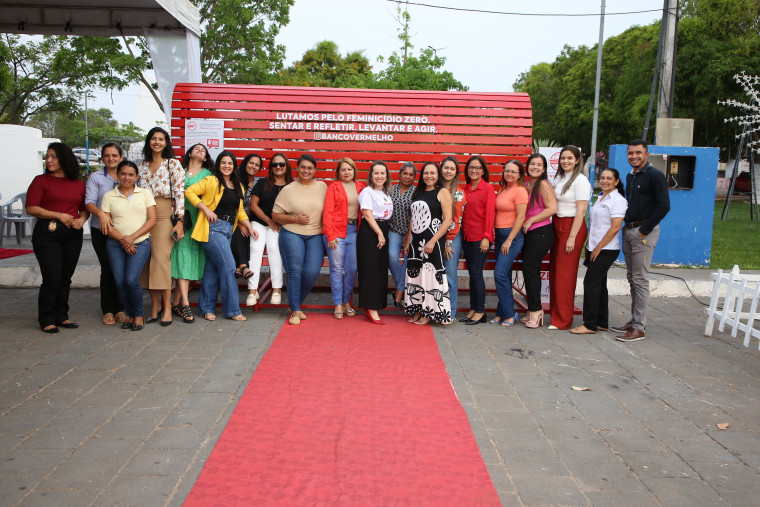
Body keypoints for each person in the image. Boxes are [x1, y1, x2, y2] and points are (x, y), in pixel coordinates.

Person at [185, 151, 257, 321]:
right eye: (223, 163)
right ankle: (233, 310)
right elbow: (189, 191)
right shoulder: (211, 180)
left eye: (230, 163)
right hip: (212, 229)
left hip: (227, 230)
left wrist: (248, 226)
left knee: (212, 269)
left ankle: (205, 308)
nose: (226, 166)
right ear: (218, 165)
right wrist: (205, 208)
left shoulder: (238, 185)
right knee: (229, 267)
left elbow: (239, 211)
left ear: (234, 166)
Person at [26, 142, 88, 333]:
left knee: (65, 277)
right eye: (48, 156)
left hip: (72, 234)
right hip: (48, 233)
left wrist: (82, 219)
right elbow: (31, 208)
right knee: (51, 277)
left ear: (64, 159)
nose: (49, 160)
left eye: (54, 156)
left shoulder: (78, 183)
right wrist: (58, 215)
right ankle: (46, 318)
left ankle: (62, 315)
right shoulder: (41, 181)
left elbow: (85, 208)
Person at [612, 140, 670, 342]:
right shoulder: (631, 175)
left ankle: (639, 327)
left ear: (646, 154)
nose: (633, 156)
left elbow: (664, 206)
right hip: (629, 230)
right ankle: (634, 321)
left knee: (640, 279)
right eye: (630, 153)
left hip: (643, 232)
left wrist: (644, 231)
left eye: (638, 152)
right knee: (632, 278)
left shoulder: (655, 175)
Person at [100, 161, 157, 331]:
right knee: (119, 281)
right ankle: (129, 315)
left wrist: (131, 238)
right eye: (123, 174)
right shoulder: (109, 196)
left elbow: (152, 220)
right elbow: (106, 225)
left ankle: (138, 315)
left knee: (131, 280)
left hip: (141, 243)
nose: (127, 177)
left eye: (131, 174)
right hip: (115, 244)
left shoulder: (145, 193)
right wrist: (123, 240)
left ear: (137, 177)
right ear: (118, 175)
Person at [137, 127, 185, 327]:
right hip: (142, 213)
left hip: (165, 213)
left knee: (161, 260)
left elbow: (180, 192)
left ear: (166, 143)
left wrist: (180, 221)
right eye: (154, 139)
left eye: (161, 139)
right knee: (146, 262)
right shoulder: (140, 165)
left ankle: (167, 308)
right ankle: (154, 306)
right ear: (149, 141)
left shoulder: (172, 164)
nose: (157, 142)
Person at [272, 154, 328, 325]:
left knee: (311, 272)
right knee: (294, 270)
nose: (306, 170)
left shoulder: (322, 187)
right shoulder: (288, 189)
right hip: (292, 232)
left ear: (315, 170)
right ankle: (295, 309)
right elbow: (275, 215)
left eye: (310, 168)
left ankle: (294, 303)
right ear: (297, 169)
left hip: (315, 234)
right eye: (303, 167)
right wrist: (295, 219)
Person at [571, 169, 627, 335]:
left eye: (609, 178)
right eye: (602, 178)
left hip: (606, 249)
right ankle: (602, 321)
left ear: (616, 181)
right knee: (600, 285)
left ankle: (589, 324)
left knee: (590, 283)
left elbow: (615, 227)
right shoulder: (600, 197)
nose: (605, 181)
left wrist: (598, 247)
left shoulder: (617, 200)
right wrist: (590, 244)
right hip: (594, 247)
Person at [404, 162, 454, 325]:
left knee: (430, 275)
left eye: (433, 173)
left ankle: (429, 313)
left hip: (432, 240)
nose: (429, 176)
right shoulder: (418, 192)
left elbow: (447, 220)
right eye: (426, 173)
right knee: (416, 275)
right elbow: (413, 218)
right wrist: (408, 240)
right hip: (415, 242)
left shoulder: (442, 192)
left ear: (437, 175)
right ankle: (418, 310)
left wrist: (432, 241)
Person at [170, 143, 213, 323]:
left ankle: (175, 303)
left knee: (189, 261)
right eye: (196, 148)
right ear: (189, 153)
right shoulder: (178, 171)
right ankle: (186, 304)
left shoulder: (209, 175)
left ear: (205, 158)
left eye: (203, 150)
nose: (200, 150)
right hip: (180, 220)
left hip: (199, 220)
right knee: (182, 257)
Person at [549, 145, 591, 330]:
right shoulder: (559, 178)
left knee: (565, 276)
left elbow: (581, 210)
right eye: (563, 158)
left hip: (571, 226)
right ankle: (555, 315)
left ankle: (563, 320)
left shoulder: (581, 180)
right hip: (557, 224)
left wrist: (572, 237)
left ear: (577, 160)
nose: (565, 161)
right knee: (555, 273)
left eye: (569, 158)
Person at [85, 143, 127, 325]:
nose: (111, 158)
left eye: (114, 155)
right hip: (101, 230)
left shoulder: (127, 176)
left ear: (121, 158)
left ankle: (121, 308)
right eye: (107, 155)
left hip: (124, 230)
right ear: (102, 158)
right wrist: (101, 214)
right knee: (108, 269)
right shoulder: (95, 178)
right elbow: (89, 202)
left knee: (122, 270)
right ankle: (108, 309)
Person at [323, 158, 366, 319]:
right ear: (338, 172)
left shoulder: (361, 187)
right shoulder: (333, 187)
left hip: (355, 231)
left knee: (352, 269)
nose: (347, 172)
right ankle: (338, 304)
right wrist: (330, 235)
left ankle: (347, 301)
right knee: (336, 269)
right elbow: (327, 213)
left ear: (354, 171)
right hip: (337, 232)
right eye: (343, 170)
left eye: (349, 169)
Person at [247, 153, 292, 306]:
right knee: (255, 248)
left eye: (281, 164)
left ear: (286, 166)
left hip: (278, 225)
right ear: (270, 168)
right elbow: (253, 206)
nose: (278, 167)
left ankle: (277, 289)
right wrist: (269, 221)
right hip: (260, 222)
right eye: (274, 164)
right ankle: (252, 291)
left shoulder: (291, 185)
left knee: (274, 249)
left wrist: (278, 222)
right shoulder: (262, 183)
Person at [520, 153, 557, 328]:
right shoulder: (528, 184)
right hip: (530, 233)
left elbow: (552, 208)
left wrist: (530, 220)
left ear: (544, 168)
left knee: (531, 270)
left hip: (541, 232)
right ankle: (531, 309)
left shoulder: (543, 184)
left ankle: (536, 311)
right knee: (528, 270)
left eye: (539, 165)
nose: (535, 167)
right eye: (532, 164)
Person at [492, 160, 529, 326]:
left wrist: (509, 240)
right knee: (504, 275)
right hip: (500, 235)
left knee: (499, 274)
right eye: (507, 171)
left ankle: (510, 313)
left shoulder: (520, 191)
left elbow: (521, 217)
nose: (509, 174)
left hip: (511, 237)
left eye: (514, 171)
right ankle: (501, 312)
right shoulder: (503, 190)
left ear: (520, 174)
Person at [459, 156, 495, 325]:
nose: (474, 170)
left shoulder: (487, 189)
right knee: (472, 274)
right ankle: (473, 308)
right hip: (466, 237)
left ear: (483, 170)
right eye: (471, 167)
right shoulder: (464, 189)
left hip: (480, 238)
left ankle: (480, 311)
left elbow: (490, 215)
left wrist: (487, 237)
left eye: (477, 168)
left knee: (476, 273)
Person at [357, 161, 394, 324]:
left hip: (383, 230)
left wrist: (383, 233)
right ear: (371, 176)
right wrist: (379, 233)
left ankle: (376, 303)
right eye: (376, 173)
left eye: (382, 173)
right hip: (371, 231)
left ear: (386, 176)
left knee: (380, 269)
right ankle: (370, 307)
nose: (379, 176)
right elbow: (367, 213)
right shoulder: (367, 191)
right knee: (370, 270)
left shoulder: (386, 193)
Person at [388, 162, 416, 310]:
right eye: (405, 173)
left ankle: (399, 291)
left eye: (411, 174)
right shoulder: (390, 190)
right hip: (393, 230)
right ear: (399, 175)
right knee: (392, 256)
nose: (407, 176)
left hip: (411, 232)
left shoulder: (417, 192)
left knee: (408, 260)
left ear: (414, 178)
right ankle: (402, 287)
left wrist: (409, 236)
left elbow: (415, 215)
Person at [231, 153, 263, 282]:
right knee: (240, 232)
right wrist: (239, 223)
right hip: (235, 217)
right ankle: (243, 265)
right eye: (251, 163)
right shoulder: (236, 179)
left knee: (250, 233)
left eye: (257, 165)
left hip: (251, 219)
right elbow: (231, 203)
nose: (253, 166)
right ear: (245, 163)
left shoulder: (258, 182)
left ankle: (239, 267)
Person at [441, 156, 466, 319]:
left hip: (452, 237)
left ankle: (450, 311)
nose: (448, 171)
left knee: (450, 274)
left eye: (452, 168)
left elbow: (456, 220)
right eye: (446, 168)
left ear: (456, 172)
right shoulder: (435, 188)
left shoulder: (458, 192)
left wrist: (448, 243)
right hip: (434, 237)